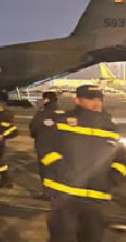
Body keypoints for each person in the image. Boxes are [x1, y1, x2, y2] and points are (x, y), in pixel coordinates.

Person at [41, 85, 125, 242]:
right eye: (90, 99)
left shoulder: (111, 127)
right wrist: (63, 171)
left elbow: (121, 158)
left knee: (92, 238)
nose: (96, 103)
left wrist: (114, 178)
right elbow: (45, 149)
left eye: (99, 99)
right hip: (65, 196)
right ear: (77, 100)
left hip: (97, 198)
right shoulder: (62, 121)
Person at [29, 91, 63, 199]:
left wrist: (37, 137)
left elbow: (33, 128)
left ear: (46, 100)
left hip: (44, 147)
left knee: (46, 171)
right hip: (59, 147)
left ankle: (48, 194)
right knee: (57, 170)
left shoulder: (42, 112)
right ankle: (58, 193)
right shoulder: (62, 112)